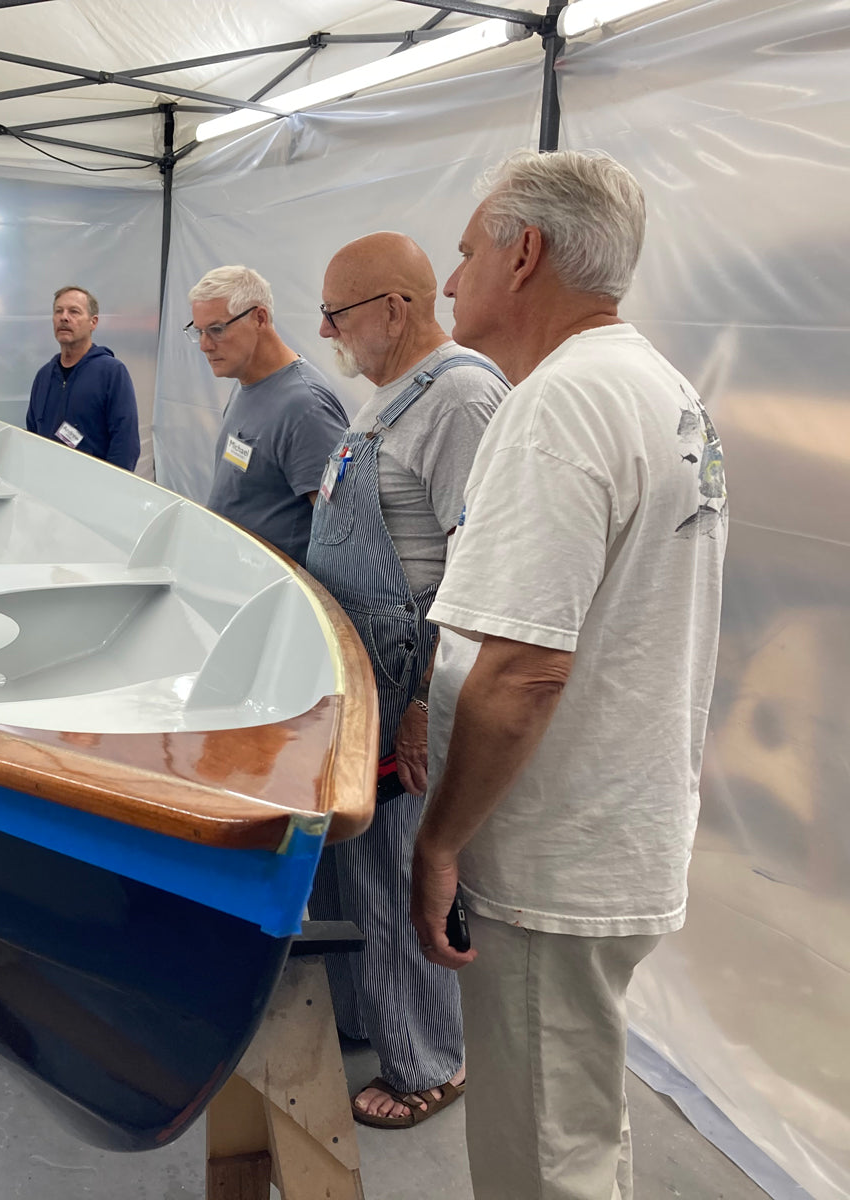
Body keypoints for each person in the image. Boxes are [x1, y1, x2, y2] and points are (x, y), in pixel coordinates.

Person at [409, 151, 727, 1199]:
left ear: (524, 253)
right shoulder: (657, 386)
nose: (450, 282)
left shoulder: (557, 404)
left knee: (542, 1157)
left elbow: (523, 671)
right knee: (577, 1121)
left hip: (555, 853)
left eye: (463, 253)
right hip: (618, 825)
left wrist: (442, 841)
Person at [305, 232, 508, 1129]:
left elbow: (481, 571)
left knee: (400, 874)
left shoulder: (463, 396)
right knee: (365, 872)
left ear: (396, 307)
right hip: (366, 679)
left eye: (339, 313)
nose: (327, 330)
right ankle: (374, 1018)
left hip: (408, 682)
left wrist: (424, 702)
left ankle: (430, 1061)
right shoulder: (386, 400)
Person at [188, 266, 347, 562]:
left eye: (217, 330)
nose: (205, 345)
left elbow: (339, 531)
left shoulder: (305, 406)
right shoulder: (246, 383)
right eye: (198, 332)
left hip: (275, 594)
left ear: (259, 318)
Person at [25, 285, 140, 470]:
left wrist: (113, 491)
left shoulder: (111, 372)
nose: (64, 317)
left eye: (74, 312)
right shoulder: (44, 376)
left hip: (95, 491)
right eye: (58, 311)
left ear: (93, 322)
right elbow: (32, 435)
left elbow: (125, 444)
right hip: (46, 488)